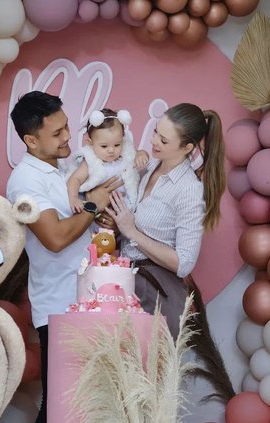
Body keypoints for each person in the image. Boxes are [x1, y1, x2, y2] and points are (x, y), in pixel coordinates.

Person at [105, 102, 234, 406]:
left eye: (163, 140)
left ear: (188, 146)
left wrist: (133, 231)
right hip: (125, 281)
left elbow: (184, 262)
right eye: (155, 133)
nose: (153, 142)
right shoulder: (151, 166)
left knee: (142, 395)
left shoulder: (189, 190)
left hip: (156, 295)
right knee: (112, 387)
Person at [6, 91, 121, 423]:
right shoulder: (24, 181)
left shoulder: (64, 168)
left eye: (66, 127)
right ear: (30, 140)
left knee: (88, 404)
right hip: (59, 307)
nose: (68, 136)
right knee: (61, 406)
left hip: (88, 300)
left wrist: (99, 222)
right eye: (56, 133)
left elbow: (76, 226)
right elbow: (54, 238)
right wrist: (92, 205)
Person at [67, 108, 149, 213]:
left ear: (122, 140)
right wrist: (74, 198)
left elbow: (136, 153)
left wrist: (141, 154)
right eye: (104, 146)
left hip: (125, 210)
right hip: (100, 211)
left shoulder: (126, 154)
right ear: (91, 143)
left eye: (117, 144)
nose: (111, 150)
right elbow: (75, 179)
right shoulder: (91, 161)